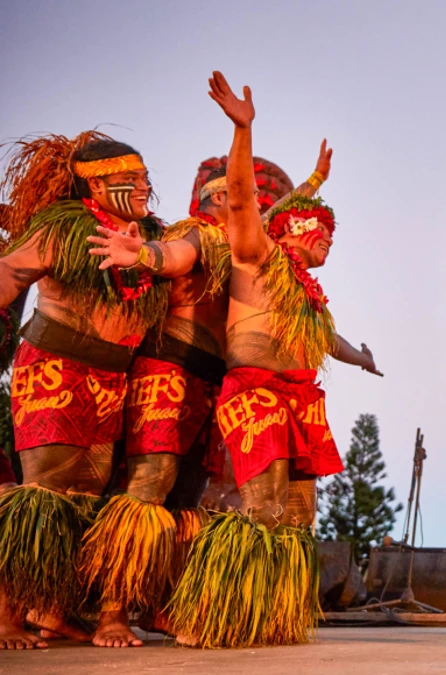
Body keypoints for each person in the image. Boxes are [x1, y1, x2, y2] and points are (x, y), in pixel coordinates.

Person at [165, 72, 345, 649]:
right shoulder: (256, 256)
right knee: (260, 508)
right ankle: (212, 613)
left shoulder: (308, 295)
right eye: (321, 232)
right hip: (257, 392)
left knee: (298, 514)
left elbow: (327, 341)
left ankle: (270, 611)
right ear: (290, 228)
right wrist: (244, 130)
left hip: (299, 400)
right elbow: (242, 199)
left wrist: (359, 357)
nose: (329, 242)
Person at [0, 132, 170, 650]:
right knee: (40, 497)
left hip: (113, 379)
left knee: (90, 498)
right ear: (96, 184)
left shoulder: (150, 239)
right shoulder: (63, 228)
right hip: (57, 367)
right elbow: (8, 275)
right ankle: (6, 616)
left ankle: (61, 612)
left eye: (145, 177)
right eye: (131, 179)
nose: (145, 186)